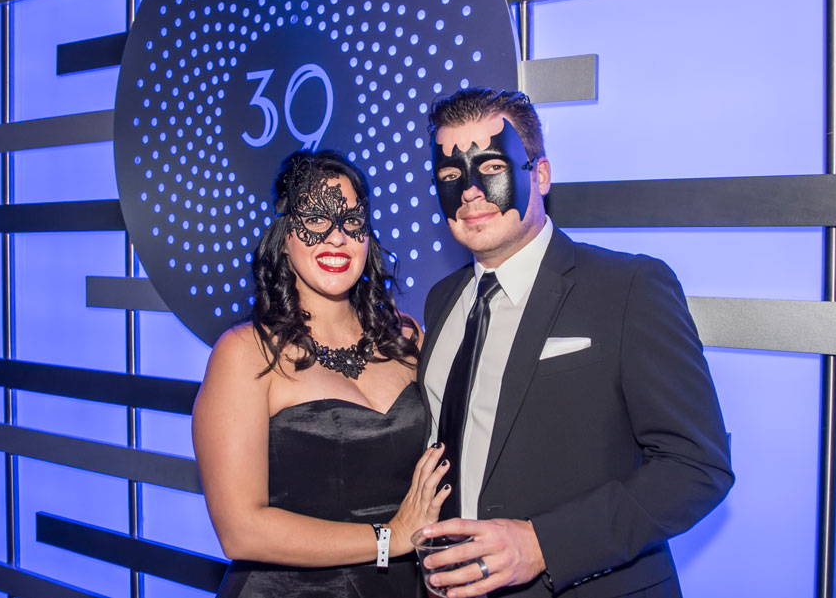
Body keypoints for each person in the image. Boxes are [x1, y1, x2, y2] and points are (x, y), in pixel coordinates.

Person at [415, 88, 734, 598]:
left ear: (540, 175)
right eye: (451, 175)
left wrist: (543, 544)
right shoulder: (441, 300)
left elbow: (697, 467)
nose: (470, 191)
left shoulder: (628, 288)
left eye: (492, 167)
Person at [192, 149, 450, 597]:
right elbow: (239, 531)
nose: (336, 238)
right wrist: (389, 538)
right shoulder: (245, 353)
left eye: (351, 221)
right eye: (315, 219)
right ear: (283, 238)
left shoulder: (407, 337)